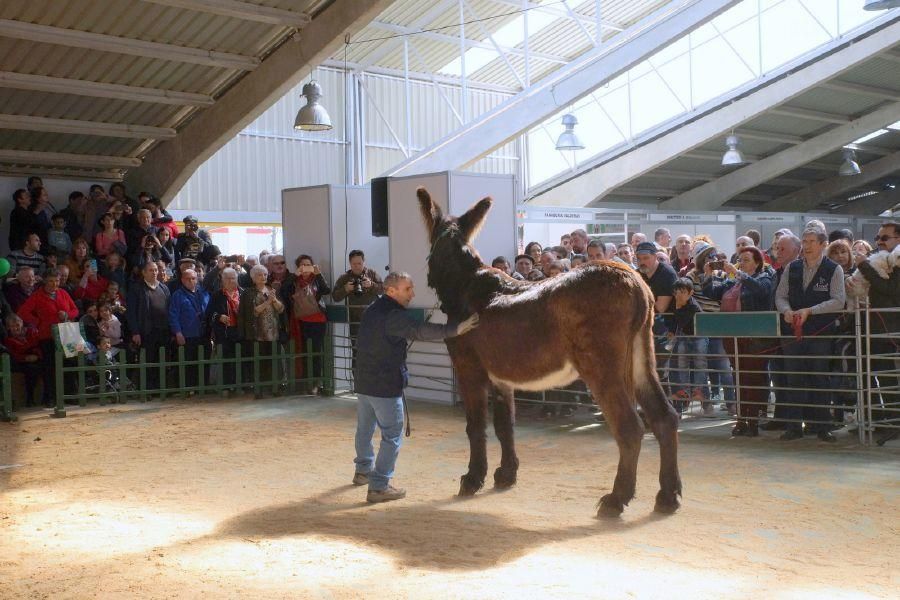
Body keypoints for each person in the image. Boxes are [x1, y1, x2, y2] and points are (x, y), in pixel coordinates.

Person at [352, 272, 479, 503]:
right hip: (384, 385)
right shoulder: (393, 315)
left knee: (365, 429)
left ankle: (363, 472)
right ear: (391, 291)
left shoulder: (373, 308)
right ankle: (379, 486)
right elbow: (420, 330)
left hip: (364, 381)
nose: (413, 293)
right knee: (391, 435)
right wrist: (455, 329)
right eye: (408, 289)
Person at [775, 229, 845, 442]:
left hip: (820, 333)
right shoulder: (791, 267)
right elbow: (780, 296)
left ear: (823, 244)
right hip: (792, 334)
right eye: (804, 241)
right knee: (793, 378)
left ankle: (823, 426)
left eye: (811, 241)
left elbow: (838, 300)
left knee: (819, 377)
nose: (806, 245)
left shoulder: (834, 269)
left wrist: (810, 311)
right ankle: (794, 426)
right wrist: (786, 311)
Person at [703, 247, 775, 436]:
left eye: (746, 260)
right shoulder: (733, 282)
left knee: (753, 377)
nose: (742, 263)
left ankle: (754, 419)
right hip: (733, 337)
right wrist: (708, 276)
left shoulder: (765, 278)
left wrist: (738, 273)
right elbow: (713, 293)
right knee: (739, 377)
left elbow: (761, 291)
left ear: (757, 262)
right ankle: (742, 418)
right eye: (740, 260)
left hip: (755, 337)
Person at [853, 222, 900, 445]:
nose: (879, 241)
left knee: (891, 378)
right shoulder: (878, 258)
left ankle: (894, 421)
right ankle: (887, 420)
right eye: (878, 237)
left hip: (891, 331)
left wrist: (864, 267)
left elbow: (893, 291)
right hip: (875, 329)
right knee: (878, 375)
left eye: (885, 238)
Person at [17, 268, 78, 407]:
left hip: (66, 335)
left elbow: (75, 310)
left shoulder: (63, 293)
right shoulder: (37, 295)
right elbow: (22, 312)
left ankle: (70, 395)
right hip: (47, 336)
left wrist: (67, 315)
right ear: (45, 281)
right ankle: (50, 398)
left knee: (69, 364)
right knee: (49, 368)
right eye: (51, 281)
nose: (54, 284)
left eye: (56, 281)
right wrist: (39, 322)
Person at [280, 255, 331, 393]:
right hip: (300, 321)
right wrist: (293, 276)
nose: (306, 268)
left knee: (315, 352)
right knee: (303, 352)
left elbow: (327, 290)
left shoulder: (316, 280)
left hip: (318, 320)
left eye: (308, 264)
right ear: (298, 267)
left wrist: (319, 274)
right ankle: (304, 383)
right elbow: (283, 291)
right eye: (302, 265)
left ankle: (315, 383)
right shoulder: (294, 281)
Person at [238, 264, 284, 398]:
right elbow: (253, 312)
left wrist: (273, 299)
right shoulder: (248, 293)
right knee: (259, 362)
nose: (263, 277)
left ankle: (275, 388)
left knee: (274, 362)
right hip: (257, 333)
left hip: (273, 332)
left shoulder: (272, 290)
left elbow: (281, 309)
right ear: (253, 278)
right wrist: (267, 302)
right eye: (259, 275)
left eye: (264, 274)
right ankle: (259, 390)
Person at [332, 250, 384, 364]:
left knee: (375, 352)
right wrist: (345, 289)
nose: (357, 266)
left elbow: (384, 290)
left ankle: (374, 380)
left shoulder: (372, 274)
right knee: (357, 353)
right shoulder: (345, 278)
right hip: (355, 322)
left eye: (359, 263)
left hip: (374, 321)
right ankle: (357, 380)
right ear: (350, 263)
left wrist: (372, 285)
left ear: (364, 262)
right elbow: (335, 296)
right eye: (354, 264)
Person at [126, 261, 171, 391]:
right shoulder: (136, 288)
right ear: (144, 272)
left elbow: (169, 308)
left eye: (156, 270)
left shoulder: (164, 288)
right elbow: (131, 313)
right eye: (151, 270)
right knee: (147, 362)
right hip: (146, 332)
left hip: (163, 332)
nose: (155, 273)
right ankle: (146, 390)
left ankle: (159, 389)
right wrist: (135, 332)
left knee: (161, 362)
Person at [666, 278, 706, 414]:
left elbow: (682, 320)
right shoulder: (675, 303)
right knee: (682, 364)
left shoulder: (693, 306)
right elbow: (673, 320)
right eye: (677, 292)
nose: (679, 295)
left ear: (690, 293)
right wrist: (671, 331)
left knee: (700, 363)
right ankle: (685, 391)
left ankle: (698, 391)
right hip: (684, 337)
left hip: (698, 337)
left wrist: (678, 307)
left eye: (683, 292)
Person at [169, 268, 210, 390]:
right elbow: (173, 315)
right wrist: (178, 332)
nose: (191, 281)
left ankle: (203, 388)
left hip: (204, 334)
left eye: (193, 278)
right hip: (187, 335)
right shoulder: (177, 295)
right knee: (188, 364)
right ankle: (188, 389)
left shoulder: (203, 293)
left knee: (204, 363)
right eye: (187, 279)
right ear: (182, 280)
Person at [206, 267, 244, 391]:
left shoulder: (243, 293)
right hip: (224, 333)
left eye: (233, 278)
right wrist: (219, 317)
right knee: (226, 361)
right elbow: (209, 313)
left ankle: (241, 385)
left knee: (241, 359)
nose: (230, 281)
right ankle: (227, 387)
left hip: (241, 332)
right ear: (222, 280)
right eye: (227, 279)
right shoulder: (217, 295)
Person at [3, 313, 44, 408]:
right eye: (12, 326)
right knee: (31, 369)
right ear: (8, 327)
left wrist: (36, 356)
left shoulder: (31, 331)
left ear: (21, 323)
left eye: (17, 325)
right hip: (20, 362)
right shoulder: (8, 340)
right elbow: (14, 355)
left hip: (36, 358)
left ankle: (47, 397)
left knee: (46, 365)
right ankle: (30, 399)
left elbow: (39, 345)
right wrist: (26, 357)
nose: (16, 328)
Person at [9, 189, 36, 254]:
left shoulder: (29, 211)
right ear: (20, 200)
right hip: (19, 243)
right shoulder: (16, 212)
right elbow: (27, 224)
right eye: (26, 197)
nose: (29, 198)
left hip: (27, 242)